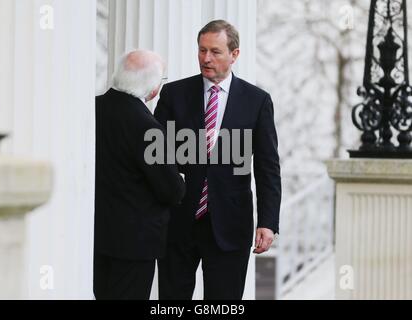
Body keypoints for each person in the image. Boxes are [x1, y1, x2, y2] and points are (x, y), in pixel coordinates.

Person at [154, 20, 282, 300]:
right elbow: (157, 158)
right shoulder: (174, 94)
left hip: (231, 225)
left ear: (234, 55)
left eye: (215, 51)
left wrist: (268, 222)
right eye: (201, 50)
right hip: (179, 221)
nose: (206, 58)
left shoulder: (257, 101)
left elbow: (267, 166)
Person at [93, 50, 185, 300]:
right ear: (154, 88)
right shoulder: (147, 126)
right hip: (135, 243)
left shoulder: (92, 110)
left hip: (96, 234)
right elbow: (171, 190)